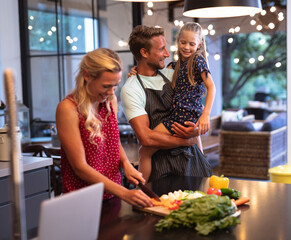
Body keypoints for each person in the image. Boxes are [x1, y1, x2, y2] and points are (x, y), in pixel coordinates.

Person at [56, 48, 153, 207]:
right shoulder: (68, 109)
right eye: (106, 86)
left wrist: (126, 164)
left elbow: (113, 141)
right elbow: (79, 167)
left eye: (115, 86)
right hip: (82, 199)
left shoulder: (109, 100)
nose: (110, 92)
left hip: (112, 193)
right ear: (87, 76)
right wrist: (124, 193)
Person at [121, 25, 213, 182]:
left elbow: (196, 104)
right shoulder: (132, 88)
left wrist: (196, 130)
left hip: (192, 161)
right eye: (162, 49)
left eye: (192, 44)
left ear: (199, 44)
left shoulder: (172, 73)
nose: (167, 54)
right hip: (162, 169)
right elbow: (146, 138)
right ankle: (140, 187)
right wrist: (186, 141)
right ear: (144, 53)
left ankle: (139, 186)